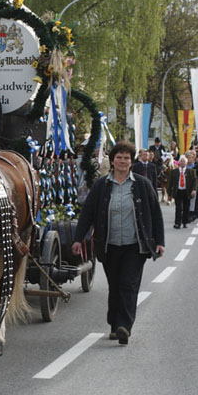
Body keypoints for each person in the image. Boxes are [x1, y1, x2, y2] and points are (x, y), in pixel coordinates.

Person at [72, 141, 164, 345]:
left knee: (128, 285)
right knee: (114, 286)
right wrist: (78, 238)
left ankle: (124, 326)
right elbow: (88, 213)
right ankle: (114, 323)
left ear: (132, 162)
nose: (122, 161)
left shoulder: (142, 184)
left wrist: (160, 242)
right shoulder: (101, 185)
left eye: (126, 158)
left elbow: (155, 214)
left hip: (135, 245)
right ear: (112, 161)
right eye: (119, 158)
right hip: (109, 244)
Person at [168, 155, 197, 228]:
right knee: (178, 208)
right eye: (181, 161)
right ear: (179, 163)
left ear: (186, 163)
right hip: (178, 191)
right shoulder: (174, 172)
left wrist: (194, 190)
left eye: (184, 161)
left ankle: (185, 222)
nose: (182, 163)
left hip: (186, 191)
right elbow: (170, 183)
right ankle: (177, 223)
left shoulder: (191, 171)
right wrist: (169, 195)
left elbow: (195, 181)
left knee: (186, 207)